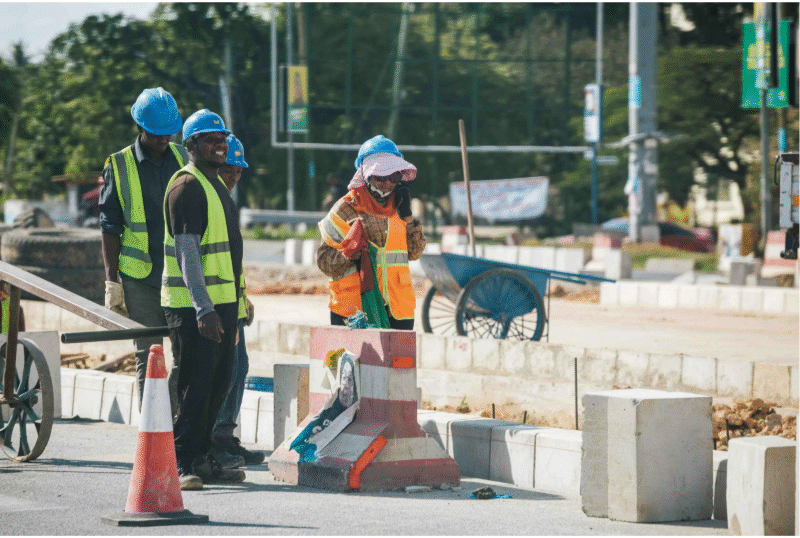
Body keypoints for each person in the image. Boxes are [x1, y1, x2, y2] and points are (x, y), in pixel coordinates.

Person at [161, 109, 245, 490]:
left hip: (224, 307)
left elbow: (227, 255)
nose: (219, 144)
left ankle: (202, 456)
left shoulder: (216, 187)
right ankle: (181, 463)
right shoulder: (187, 187)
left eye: (222, 138)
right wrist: (204, 308)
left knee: (219, 383)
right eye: (210, 139)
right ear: (191, 145)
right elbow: (188, 254)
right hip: (194, 307)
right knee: (194, 386)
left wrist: (236, 307)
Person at [99, 87, 187, 409]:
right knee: (149, 356)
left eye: (169, 133)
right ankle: (150, 437)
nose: (164, 139)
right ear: (140, 128)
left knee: (185, 354)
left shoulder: (183, 158)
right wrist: (112, 281)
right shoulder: (119, 165)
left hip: (179, 274)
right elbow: (110, 227)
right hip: (140, 278)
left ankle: (176, 431)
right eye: (157, 134)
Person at [316, 134, 426, 330]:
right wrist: (348, 253)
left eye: (393, 176)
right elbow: (325, 263)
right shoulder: (345, 209)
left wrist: (408, 216)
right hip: (354, 311)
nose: (387, 183)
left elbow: (415, 252)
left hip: (397, 309)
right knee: (355, 362)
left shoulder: (400, 208)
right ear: (365, 174)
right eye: (380, 176)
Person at [210, 134, 266, 468]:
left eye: (239, 171)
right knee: (222, 371)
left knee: (238, 366)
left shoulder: (226, 202)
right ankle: (214, 439)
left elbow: (232, 262)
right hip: (211, 305)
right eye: (230, 169)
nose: (235, 176)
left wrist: (244, 299)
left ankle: (224, 437)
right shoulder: (207, 199)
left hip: (230, 303)